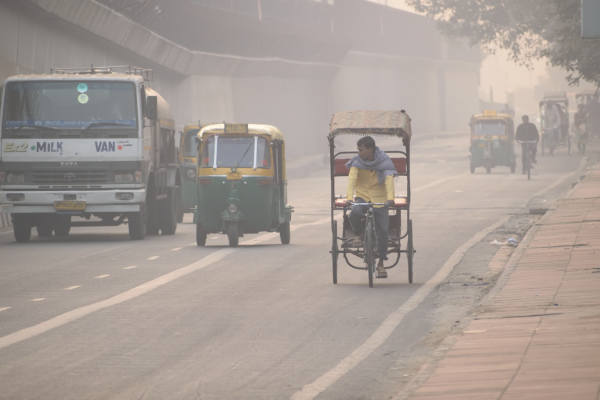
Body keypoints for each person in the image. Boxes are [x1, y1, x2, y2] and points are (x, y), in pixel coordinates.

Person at [341, 136, 396, 279]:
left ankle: (381, 263)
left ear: (370, 150)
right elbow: (351, 180)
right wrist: (349, 198)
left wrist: (390, 198)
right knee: (355, 213)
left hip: (380, 199)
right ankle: (358, 234)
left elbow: (389, 179)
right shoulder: (357, 162)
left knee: (383, 230)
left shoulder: (384, 161)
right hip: (362, 197)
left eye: (361, 150)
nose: (359, 152)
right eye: (358, 150)